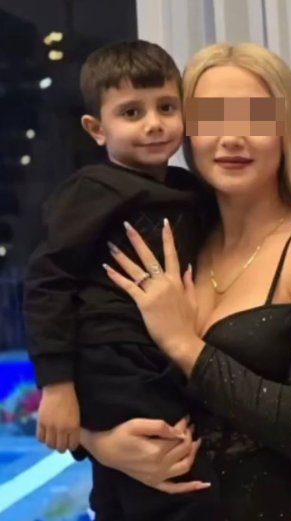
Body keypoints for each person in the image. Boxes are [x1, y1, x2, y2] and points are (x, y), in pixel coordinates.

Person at [77, 42, 291, 521]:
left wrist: (182, 344)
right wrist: (97, 441)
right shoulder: (173, 238)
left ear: (286, 130)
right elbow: (92, 352)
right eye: (211, 117)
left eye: (255, 117)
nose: (231, 138)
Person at [23, 40, 223, 520]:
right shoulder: (90, 191)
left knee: (118, 496)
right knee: (179, 480)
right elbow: (48, 280)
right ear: (97, 128)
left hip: (157, 355)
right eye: (132, 112)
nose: (154, 123)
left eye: (166, 107)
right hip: (113, 360)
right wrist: (56, 384)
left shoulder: (191, 191)